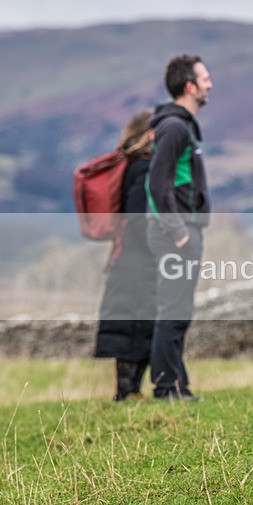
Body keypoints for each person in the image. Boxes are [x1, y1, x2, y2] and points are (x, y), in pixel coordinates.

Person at [145, 54, 213, 401]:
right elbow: (157, 185)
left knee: (180, 310)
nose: (210, 84)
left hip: (185, 231)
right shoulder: (174, 127)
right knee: (173, 309)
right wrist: (180, 233)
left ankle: (177, 384)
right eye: (204, 78)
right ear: (189, 86)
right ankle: (165, 388)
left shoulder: (182, 125)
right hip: (176, 234)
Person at [94, 110, 156, 401]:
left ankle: (128, 391)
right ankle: (128, 391)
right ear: (151, 135)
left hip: (126, 257)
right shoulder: (143, 169)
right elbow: (138, 217)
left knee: (130, 325)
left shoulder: (128, 166)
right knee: (138, 326)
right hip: (138, 259)